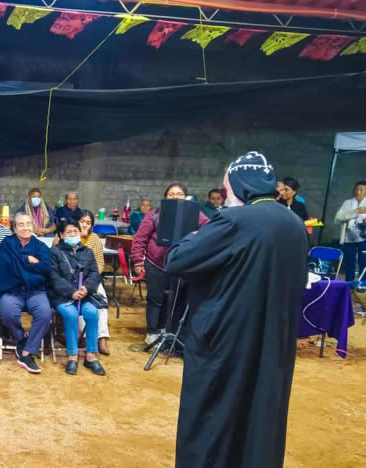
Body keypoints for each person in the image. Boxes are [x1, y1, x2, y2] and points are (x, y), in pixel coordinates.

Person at [165, 151, 308, 468]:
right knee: (260, 413)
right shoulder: (294, 223)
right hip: (274, 340)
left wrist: (192, 236)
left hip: (227, 339)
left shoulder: (235, 221)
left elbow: (178, 260)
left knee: (212, 416)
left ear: (241, 185)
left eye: (227, 188)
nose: (225, 194)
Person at [132, 183, 209, 345]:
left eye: (179, 194)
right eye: (171, 194)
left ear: (186, 197)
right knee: (155, 299)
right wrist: (138, 261)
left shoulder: (196, 215)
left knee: (173, 300)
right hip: (155, 264)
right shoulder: (154, 215)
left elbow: (209, 228)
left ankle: (165, 330)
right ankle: (152, 333)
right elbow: (140, 238)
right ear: (165, 197)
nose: (175, 197)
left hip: (181, 265)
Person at [0, 212, 53, 374]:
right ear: (14, 228)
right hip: (11, 290)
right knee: (8, 313)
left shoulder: (41, 246)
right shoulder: (7, 243)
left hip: (35, 291)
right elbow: (6, 265)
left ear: (33, 226)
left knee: (45, 314)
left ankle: (27, 352)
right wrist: (28, 260)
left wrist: (19, 264)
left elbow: (46, 267)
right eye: (21, 224)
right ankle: (21, 339)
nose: (25, 228)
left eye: (28, 224)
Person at [48, 219, 105, 376]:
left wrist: (86, 288)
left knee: (92, 313)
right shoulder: (54, 252)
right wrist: (71, 291)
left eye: (75, 231)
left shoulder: (88, 252)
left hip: (84, 296)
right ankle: (72, 356)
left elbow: (94, 274)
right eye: (69, 232)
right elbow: (53, 277)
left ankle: (91, 356)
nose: (73, 234)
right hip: (62, 296)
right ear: (61, 235)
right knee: (71, 314)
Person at [77, 210, 111, 355]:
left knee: (101, 299)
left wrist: (92, 279)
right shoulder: (67, 234)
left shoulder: (95, 238)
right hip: (72, 279)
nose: (85, 225)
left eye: (88, 223)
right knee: (80, 299)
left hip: (91, 278)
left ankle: (102, 337)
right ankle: (84, 336)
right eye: (82, 221)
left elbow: (100, 263)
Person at [335, 180, 366, 281]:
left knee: (364, 262)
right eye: (356, 189)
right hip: (348, 238)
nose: (358, 192)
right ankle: (348, 284)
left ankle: (363, 285)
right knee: (349, 262)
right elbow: (338, 217)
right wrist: (356, 212)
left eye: (361, 190)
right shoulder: (347, 203)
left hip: (364, 238)